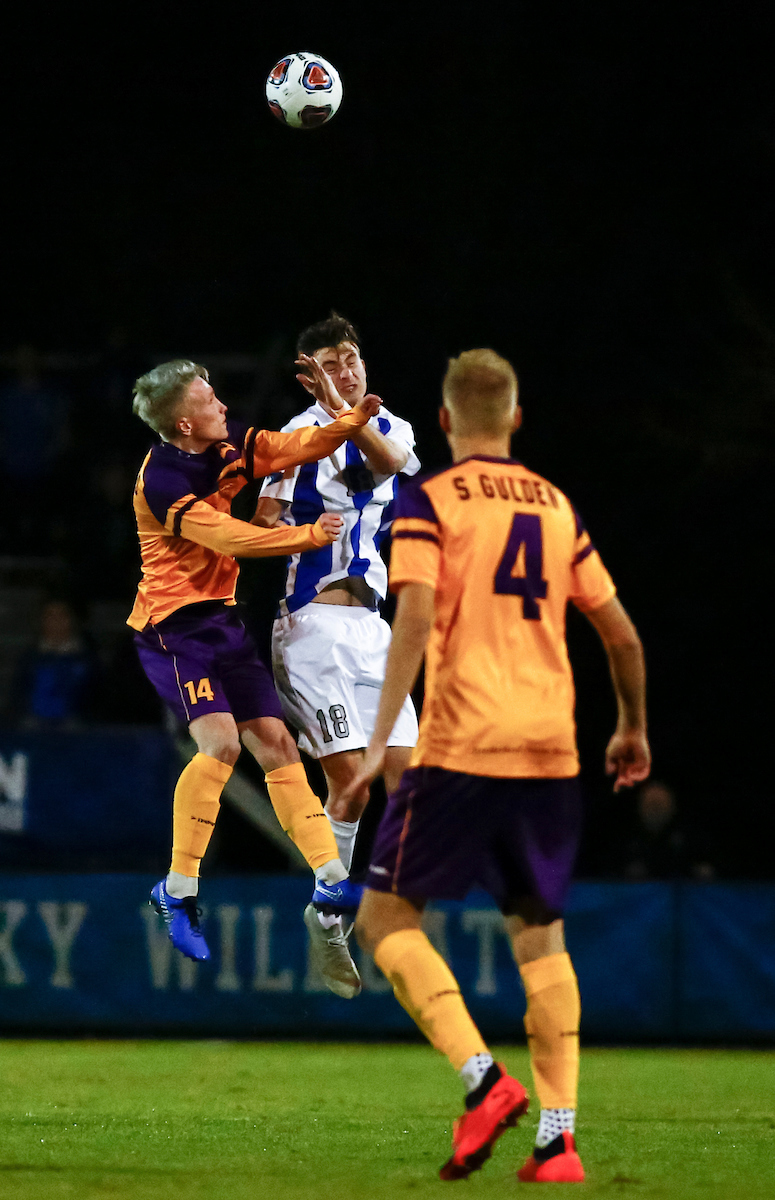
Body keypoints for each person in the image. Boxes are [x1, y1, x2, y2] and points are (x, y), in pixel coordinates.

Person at [346, 349, 651, 1182]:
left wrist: (378, 745)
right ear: (515, 418)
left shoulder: (430, 500)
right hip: (550, 751)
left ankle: (483, 1082)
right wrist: (630, 729)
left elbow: (411, 621)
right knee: (540, 938)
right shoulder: (555, 507)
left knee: (383, 922)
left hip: (460, 747)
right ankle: (558, 1141)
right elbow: (620, 634)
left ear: (443, 422)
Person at [128, 357, 380, 962]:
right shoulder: (162, 479)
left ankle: (330, 879)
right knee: (222, 746)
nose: (220, 402)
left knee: (278, 745)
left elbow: (290, 446)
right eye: (207, 398)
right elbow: (230, 538)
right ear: (184, 425)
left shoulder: (226, 441)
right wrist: (306, 537)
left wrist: (347, 421)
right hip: (173, 627)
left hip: (222, 621)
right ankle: (179, 887)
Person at [253, 313, 420, 996]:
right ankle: (329, 914)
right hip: (310, 625)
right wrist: (292, 529)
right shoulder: (292, 437)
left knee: (408, 789)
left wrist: (349, 414)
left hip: (374, 631)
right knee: (348, 780)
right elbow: (263, 523)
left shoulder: (391, 425)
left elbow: (388, 465)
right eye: (328, 361)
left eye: (350, 357)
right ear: (305, 370)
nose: (344, 370)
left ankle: (387, 919)